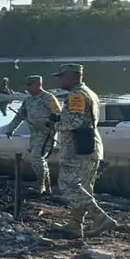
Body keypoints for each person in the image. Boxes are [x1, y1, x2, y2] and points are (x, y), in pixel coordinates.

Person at [52, 63, 115, 237]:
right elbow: (82, 118)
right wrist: (61, 117)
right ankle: (75, 224)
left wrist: (55, 124)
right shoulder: (89, 92)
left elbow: (75, 122)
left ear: (71, 77)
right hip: (90, 146)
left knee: (69, 185)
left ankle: (100, 217)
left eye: (62, 76)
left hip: (77, 149)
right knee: (84, 187)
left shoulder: (76, 95)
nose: (60, 80)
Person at [3, 75, 61, 195]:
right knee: (40, 160)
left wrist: (51, 123)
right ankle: (47, 188)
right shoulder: (28, 100)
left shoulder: (49, 98)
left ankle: (40, 186)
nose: (27, 88)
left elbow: (59, 115)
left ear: (37, 85)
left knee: (36, 158)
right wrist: (10, 129)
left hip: (46, 134)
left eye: (30, 85)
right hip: (34, 134)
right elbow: (20, 116)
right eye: (27, 85)